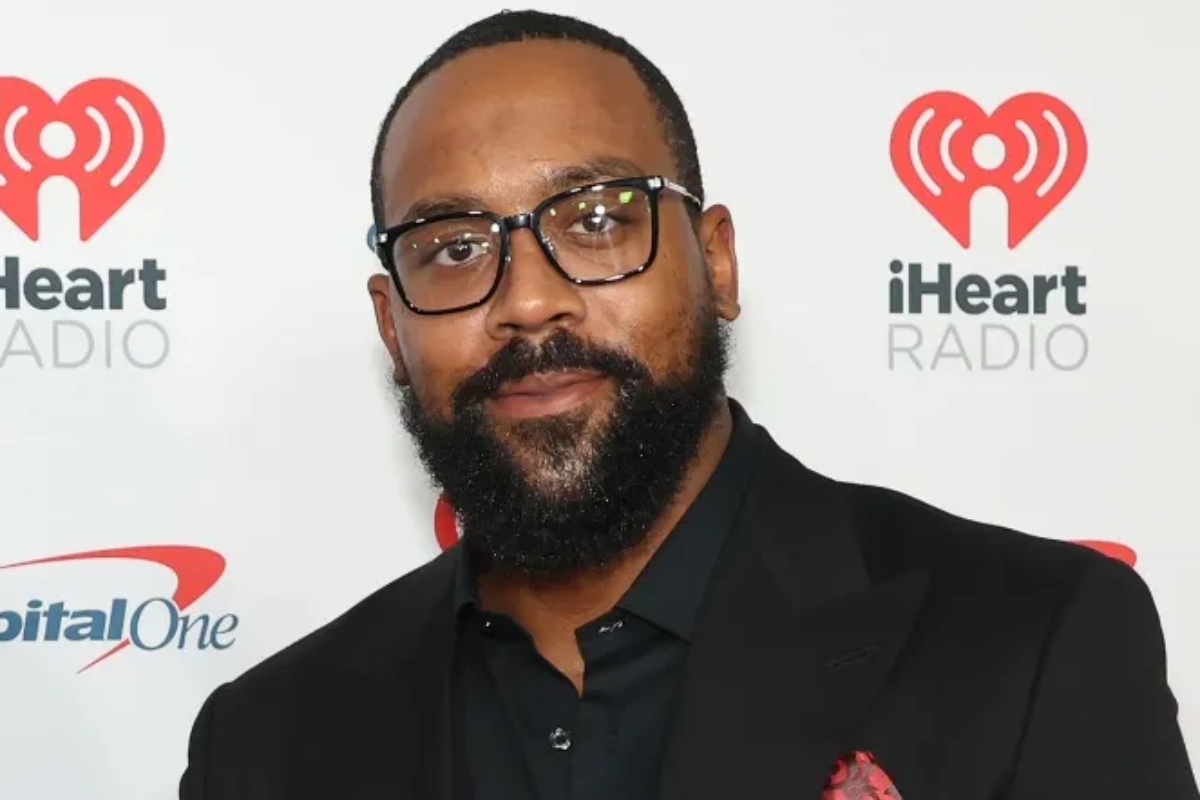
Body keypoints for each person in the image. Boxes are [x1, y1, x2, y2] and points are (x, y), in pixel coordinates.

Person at [178, 9, 1198, 800]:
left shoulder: (1030, 643)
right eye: (452, 248)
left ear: (716, 261)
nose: (528, 300)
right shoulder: (268, 741)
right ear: (392, 325)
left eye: (598, 219)